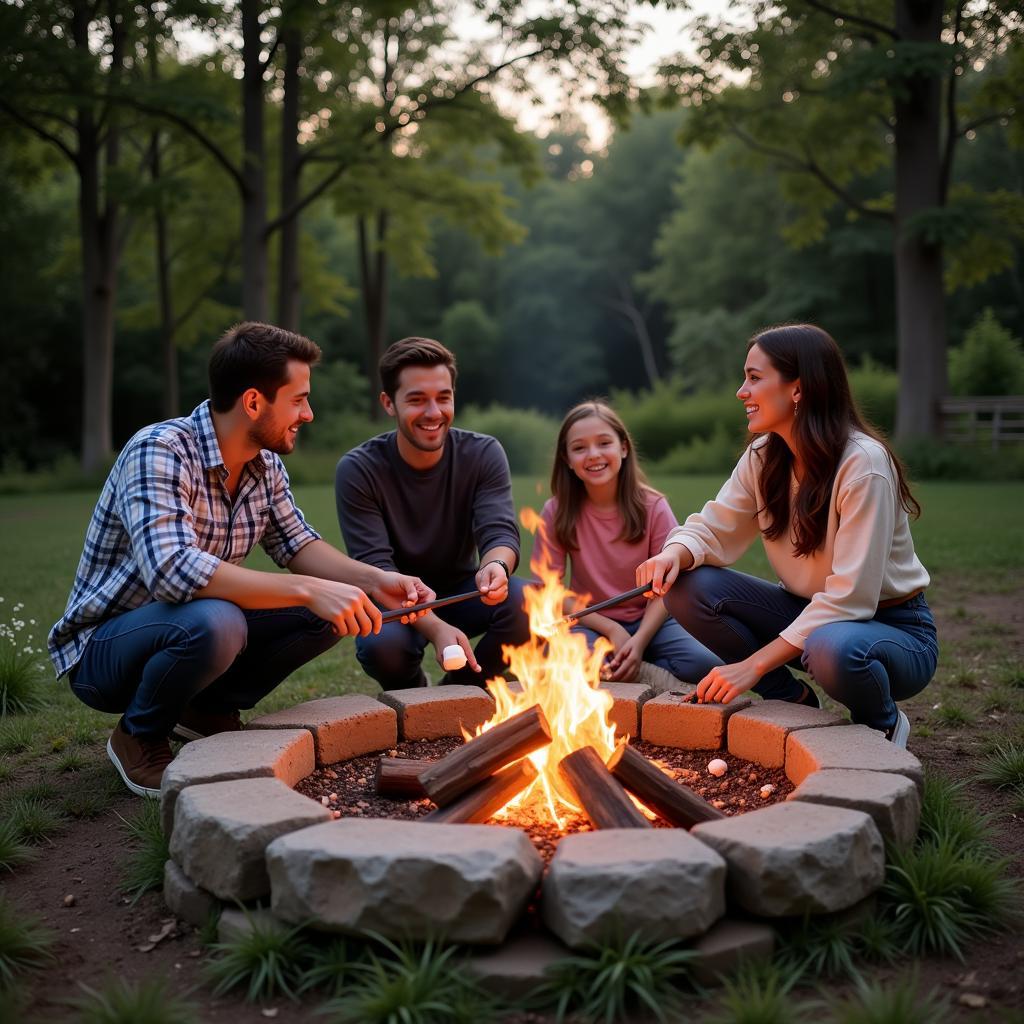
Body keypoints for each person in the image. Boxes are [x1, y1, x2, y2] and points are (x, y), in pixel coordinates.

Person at [48, 322, 433, 799]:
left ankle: (205, 711)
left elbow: (297, 545)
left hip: (192, 630)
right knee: (219, 620)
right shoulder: (160, 451)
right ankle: (137, 736)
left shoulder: (264, 465)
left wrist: (375, 580)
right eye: (298, 400)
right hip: (107, 649)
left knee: (331, 612)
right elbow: (172, 572)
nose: (308, 414)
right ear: (253, 402)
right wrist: (309, 589)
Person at [637, 324, 938, 748]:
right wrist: (675, 552)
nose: (742, 391)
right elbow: (713, 525)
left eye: (755, 378)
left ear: (798, 389)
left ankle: (881, 723)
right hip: (809, 615)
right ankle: (792, 700)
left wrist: (751, 666)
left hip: (894, 630)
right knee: (687, 586)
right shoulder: (764, 455)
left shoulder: (863, 465)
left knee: (832, 647)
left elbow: (851, 598)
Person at [335, 336, 530, 689]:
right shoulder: (359, 469)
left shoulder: (483, 453)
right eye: (416, 400)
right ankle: (412, 695)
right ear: (388, 403)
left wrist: (495, 566)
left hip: (462, 589)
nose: (433, 412)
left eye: (443, 397)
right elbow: (375, 567)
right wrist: (436, 628)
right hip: (391, 595)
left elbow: (499, 530)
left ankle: (460, 689)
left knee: (529, 602)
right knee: (382, 646)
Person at [533, 401, 719, 684]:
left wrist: (640, 640)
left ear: (623, 447)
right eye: (580, 448)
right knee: (570, 659)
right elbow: (551, 590)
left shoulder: (653, 506)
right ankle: (640, 671)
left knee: (704, 664)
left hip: (654, 621)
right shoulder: (555, 511)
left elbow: (669, 583)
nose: (593, 455)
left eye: (604, 443)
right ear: (567, 459)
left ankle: (637, 662)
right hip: (591, 620)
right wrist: (611, 629)